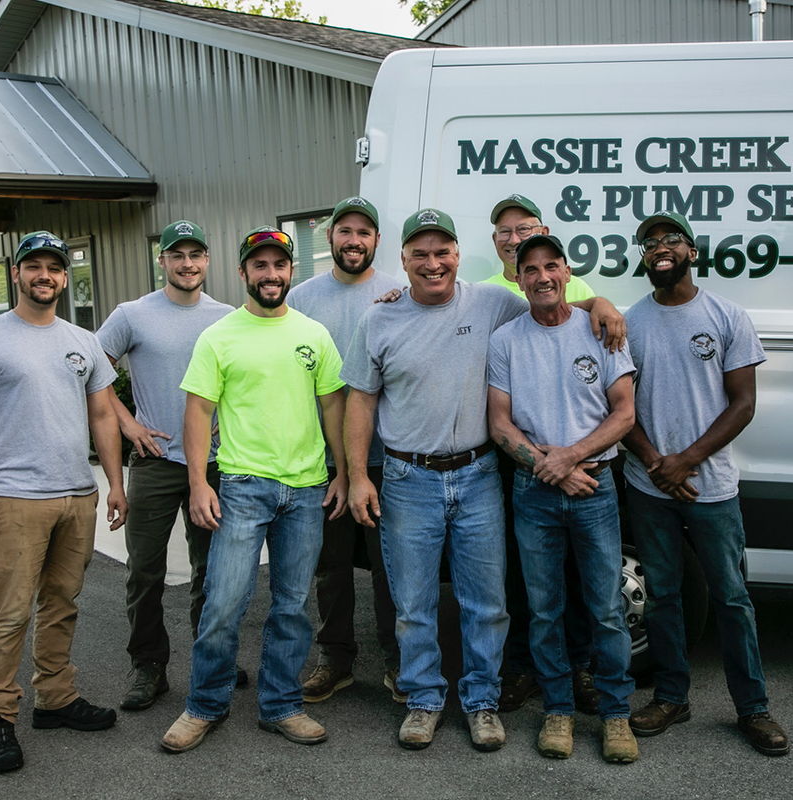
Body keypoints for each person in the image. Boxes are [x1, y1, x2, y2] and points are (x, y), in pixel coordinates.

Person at [342, 209, 625, 753]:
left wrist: (602, 303)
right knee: (414, 602)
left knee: (486, 602)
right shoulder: (378, 320)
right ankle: (423, 700)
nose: (433, 263)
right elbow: (360, 399)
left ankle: (481, 702)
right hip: (407, 478)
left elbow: (552, 305)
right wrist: (359, 475)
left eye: (442, 251)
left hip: (476, 475)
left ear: (456, 254)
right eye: (419, 254)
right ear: (401, 260)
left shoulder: (490, 301)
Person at [0, 231, 128, 774]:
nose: (45, 275)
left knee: (62, 602)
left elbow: (102, 416)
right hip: (14, 499)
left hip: (77, 495)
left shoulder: (82, 340)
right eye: (34, 267)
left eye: (55, 267)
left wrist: (115, 484)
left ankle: (56, 699)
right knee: (9, 612)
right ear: (16, 274)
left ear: (65, 277)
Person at [160, 226, 347, 754]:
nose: (271, 274)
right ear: (243, 272)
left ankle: (281, 705)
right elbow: (198, 410)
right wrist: (199, 483)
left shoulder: (314, 334)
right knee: (224, 602)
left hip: (307, 490)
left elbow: (333, 404)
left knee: (290, 605)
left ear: (291, 271)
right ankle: (204, 705)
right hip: (242, 486)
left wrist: (343, 472)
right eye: (260, 266)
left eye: (279, 265)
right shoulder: (220, 336)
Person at [620, 210, 789, 757]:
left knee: (733, 599)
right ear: (642, 257)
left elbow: (744, 404)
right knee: (664, 596)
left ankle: (753, 708)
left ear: (692, 252)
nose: (659, 247)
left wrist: (686, 460)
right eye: (649, 242)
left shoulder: (726, 315)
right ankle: (671, 696)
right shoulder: (631, 322)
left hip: (710, 486)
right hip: (649, 486)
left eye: (671, 239)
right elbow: (617, 407)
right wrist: (655, 462)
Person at [486, 233, 639, 763]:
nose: (543, 276)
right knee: (544, 609)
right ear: (518, 277)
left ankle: (617, 716)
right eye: (531, 269)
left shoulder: (600, 328)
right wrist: (549, 468)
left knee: (606, 610)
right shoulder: (506, 340)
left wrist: (568, 457)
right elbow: (499, 422)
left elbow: (624, 413)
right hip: (535, 493)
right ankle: (558, 711)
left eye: (552, 266)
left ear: (567, 271)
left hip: (595, 489)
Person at [95, 220, 240, 712]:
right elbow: (89, 370)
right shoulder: (132, 315)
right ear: (162, 261)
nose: (187, 263)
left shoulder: (229, 317)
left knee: (214, 570)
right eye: (176, 255)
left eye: (195, 254)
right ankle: (148, 667)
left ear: (207, 260)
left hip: (218, 464)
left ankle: (211, 656)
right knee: (144, 571)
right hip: (155, 461)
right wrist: (128, 424)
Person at [484, 194, 599, 714]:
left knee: (573, 576)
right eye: (505, 231)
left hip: (578, 460)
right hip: (513, 463)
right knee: (520, 575)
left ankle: (578, 669)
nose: (515, 238)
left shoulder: (572, 285)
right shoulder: (484, 293)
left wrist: (608, 307)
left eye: (525, 228)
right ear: (495, 243)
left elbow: (590, 311)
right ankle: (524, 668)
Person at [288, 197, 405, 705]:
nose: (354, 240)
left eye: (364, 231)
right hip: (321, 459)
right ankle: (335, 660)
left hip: (388, 457)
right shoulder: (301, 297)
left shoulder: (400, 294)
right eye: (344, 231)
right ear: (329, 238)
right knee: (329, 567)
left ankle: (399, 663)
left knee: (391, 567)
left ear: (377, 240)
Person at [483, 193, 594, 302]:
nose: (513, 240)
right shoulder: (483, 294)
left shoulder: (578, 289)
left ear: (544, 233)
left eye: (523, 229)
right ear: (495, 239)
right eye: (505, 231)